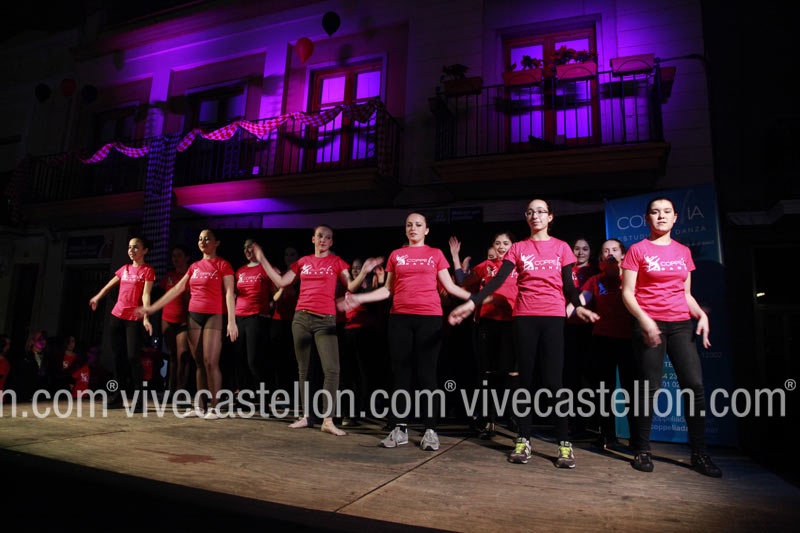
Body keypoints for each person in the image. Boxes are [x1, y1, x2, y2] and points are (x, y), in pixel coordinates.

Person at [448, 199, 598, 468]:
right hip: (524, 318)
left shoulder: (561, 247)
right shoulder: (518, 248)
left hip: (552, 318)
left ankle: (564, 444)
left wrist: (578, 307)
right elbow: (497, 280)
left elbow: (568, 286)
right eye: (530, 212)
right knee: (524, 381)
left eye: (541, 211)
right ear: (526, 217)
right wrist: (472, 303)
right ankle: (523, 439)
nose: (535, 215)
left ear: (550, 216)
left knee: (553, 382)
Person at [339, 213, 473, 451]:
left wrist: (477, 298)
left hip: (429, 318)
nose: (413, 228)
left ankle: (430, 430)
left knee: (427, 375)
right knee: (400, 375)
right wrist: (359, 298)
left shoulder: (435, 254)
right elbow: (387, 290)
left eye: (418, 225)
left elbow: (450, 286)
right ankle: (399, 428)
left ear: (426, 230)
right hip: (400, 319)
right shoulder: (396, 255)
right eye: (409, 225)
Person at [620, 197, 722, 478]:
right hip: (648, 323)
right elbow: (627, 293)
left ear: (675, 217)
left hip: (680, 324)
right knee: (649, 388)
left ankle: (699, 453)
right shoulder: (637, 250)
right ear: (647, 218)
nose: (661, 216)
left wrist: (700, 315)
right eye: (655, 212)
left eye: (667, 212)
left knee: (694, 385)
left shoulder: (682, 251)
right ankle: (642, 449)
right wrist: (645, 321)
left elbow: (685, 294)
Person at [251, 227, 379, 436]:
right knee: (304, 369)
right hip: (301, 318)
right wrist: (262, 259)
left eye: (328, 237)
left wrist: (364, 271)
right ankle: (306, 416)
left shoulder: (336, 262)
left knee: (332, 369)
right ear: (313, 239)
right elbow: (282, 282)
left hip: (325, 320)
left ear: (331, 242)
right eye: (320, 236)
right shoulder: (303, 262)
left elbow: (351, 286)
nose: (323, 240)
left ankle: (327, 419)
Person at [137, 228, 238, 420]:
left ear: (216, 243)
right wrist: (152, 308)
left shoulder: (223, 265)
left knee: (210, 362)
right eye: (200, 239)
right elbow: (177, 288)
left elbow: (229, 294)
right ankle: (200, 407)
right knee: (199, 363)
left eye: (207, 239)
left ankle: (215, 408)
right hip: (194, 315)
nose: (203, 241)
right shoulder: (194, 267)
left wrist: (231, 321)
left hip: (214, 315)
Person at [567, 239, 635, 450]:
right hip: (603, 338)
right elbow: (578, 303)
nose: (610, 253)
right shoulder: (595, 281)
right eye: (606, 251)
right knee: (604, 389)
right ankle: (607, 436)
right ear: (601, 259)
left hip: (629, 339)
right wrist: (567, 311)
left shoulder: (631, 277)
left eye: (615, 250)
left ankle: (637, 439)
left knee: (631, 388)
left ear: (623, 255)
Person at [449, 232, 518, 439]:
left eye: (506, 243)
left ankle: (513, 416)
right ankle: (489, 419)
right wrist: (455, 257)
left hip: (512, 323)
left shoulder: (519, 266)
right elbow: (463, 282)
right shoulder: (486, 266)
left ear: (513, 246)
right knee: (488, 373)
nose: (501, 247)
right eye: (498, 243)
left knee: (511, 373)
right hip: (488, 324)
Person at [89, 236, 155, 411]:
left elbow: (146, 295)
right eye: (129, 247)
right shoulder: (124, 269)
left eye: (136, 247)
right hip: (117, 316)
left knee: (133, 357)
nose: (131, 250)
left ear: (145, 251)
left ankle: (139, 399)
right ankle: (118, 396)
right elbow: (108, 287)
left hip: (134, 319)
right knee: (118, 358)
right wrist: (97, 297)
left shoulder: (147, 270)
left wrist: (146, 317)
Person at [564, 237, 599, 439]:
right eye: (576, 248)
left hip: (590, 328)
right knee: (570, 376)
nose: (580, 252)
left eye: (585, 249)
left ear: (590, 252)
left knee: (589, 377)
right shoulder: (566, 270)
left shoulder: (595, 272)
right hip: (567, 328)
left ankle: (591, 424)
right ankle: (574, 424)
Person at [233, 237, 273, 411]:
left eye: (251, 247)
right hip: (238, 317)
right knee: (240, 360)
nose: (248, 251)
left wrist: (270, 305)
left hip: (256, 317)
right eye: (245, 248)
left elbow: (276, 292)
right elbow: (234, 294)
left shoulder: (265, 268)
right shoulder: (240, 271)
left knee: (254, 361)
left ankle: (264, 399)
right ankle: (242, 397)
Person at [159, 244, 193, 398]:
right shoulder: (169, 276)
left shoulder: (191, 276)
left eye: (179, 255)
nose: (175, 259)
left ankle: (181, 391)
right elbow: (161, 296)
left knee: (183, 355)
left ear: (187, 258)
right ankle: (171, 390)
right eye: (173, 256)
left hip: (185, 321)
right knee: (172, 355)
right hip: (168, 319)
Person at [269, 246, 300, 400]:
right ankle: (280, 393)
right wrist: (282, 285)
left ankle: (294, 394)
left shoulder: (301, 276)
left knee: (293, 359)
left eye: (292, 254)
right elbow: (275, 297)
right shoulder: (279, 275)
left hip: (295, 321)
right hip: (278, 320)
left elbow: (298, 295)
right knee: (278, 359)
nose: (289, 257)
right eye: (287, 254)